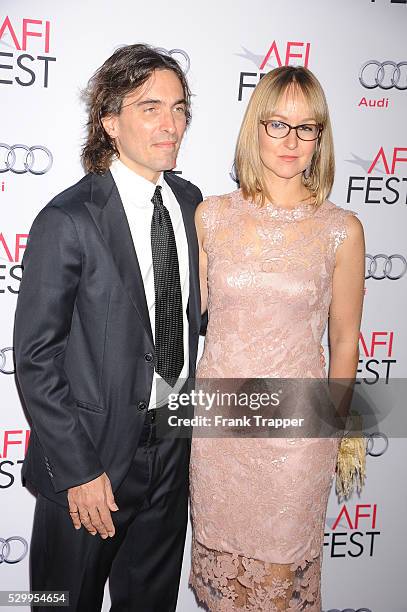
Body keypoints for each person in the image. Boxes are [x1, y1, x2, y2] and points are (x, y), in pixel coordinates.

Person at [14, 43, 202, 612]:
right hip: (89, 463)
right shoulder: (68, 219)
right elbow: (36, 359)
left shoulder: (193, 204)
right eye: (150, 108)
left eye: (178, 107)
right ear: (110, 121)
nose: (171, 124)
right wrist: (79, 469)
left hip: (172, 448)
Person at [189, 66, 365, 611]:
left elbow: (344, 343)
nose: (291, 141)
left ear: (321, 136)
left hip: (295, 441)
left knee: (276, 590)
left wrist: (334, 436)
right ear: (254, 128)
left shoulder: (342, 230)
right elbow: (186, 322)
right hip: (221, 438)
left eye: (306, 128)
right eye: (278, 124)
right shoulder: (211, 218)